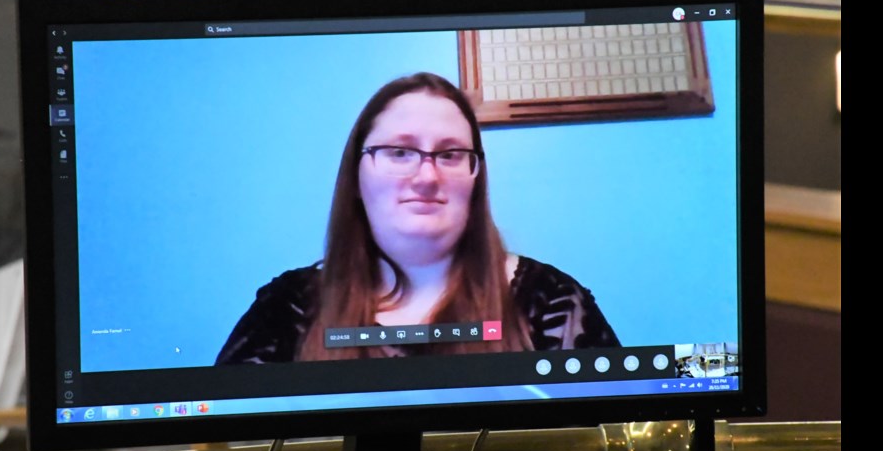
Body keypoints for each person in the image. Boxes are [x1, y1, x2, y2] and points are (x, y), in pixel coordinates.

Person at [216, 72, 618, 365]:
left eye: (449, 154)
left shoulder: (553, 303)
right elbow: (227, 450)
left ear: (476, 178)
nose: (427, 176)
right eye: (400, 152)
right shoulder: (286, 308)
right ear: (356, 176)